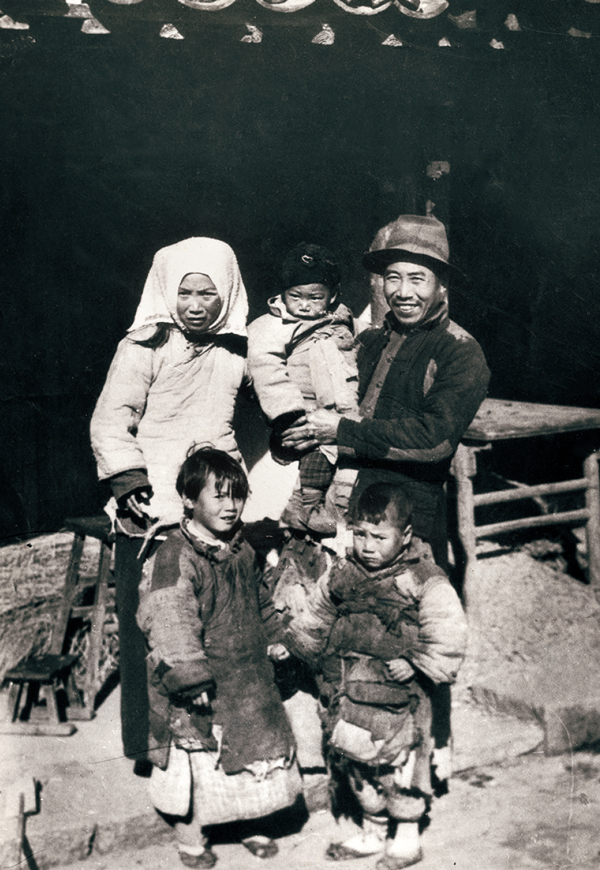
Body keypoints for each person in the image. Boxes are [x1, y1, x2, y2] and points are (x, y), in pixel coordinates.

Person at [90, 237, 248, 767]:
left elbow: (277, 383)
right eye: (185, 293)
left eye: (208, 293)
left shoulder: (235, 351)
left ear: (227, 293)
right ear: (166, 292)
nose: (196, 305)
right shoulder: (144, 347)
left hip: (214, 499)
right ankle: (151, 746)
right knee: (149, 625)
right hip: (151, 503)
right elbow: (111, 420)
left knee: (215, 622)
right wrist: (128, 480)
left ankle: (214, 744)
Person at [280, 215, 490, 569]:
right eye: (393, 277)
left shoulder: (459, 350)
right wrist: (292, 434)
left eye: (417, 279)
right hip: (335, 509)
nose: (403, 292)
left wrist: (342, 431)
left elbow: (434, 440)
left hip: (401, 523)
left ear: (442, 285)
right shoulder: (368, 340)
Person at [285, 482, 468, 869]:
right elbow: (318, 610)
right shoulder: (343, 573)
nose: (367, 546)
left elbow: (447, 629)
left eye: (379, 537)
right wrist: (299, 643)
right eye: (360, 534)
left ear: (405, 535)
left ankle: (406, 836)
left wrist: (416, 660)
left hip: (399, 698)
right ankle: (373, 829)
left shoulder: (422, 578)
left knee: (400, 766)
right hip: (349, 690)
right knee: (357, 762)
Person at [136, 447, 302, 869]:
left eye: (238, 496)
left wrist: (275, 637)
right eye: (219, 496)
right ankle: (191, 837)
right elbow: (170, 617)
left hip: (246, 674)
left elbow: (260, 600)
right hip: (202, 677)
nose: (231, 506)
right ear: (189, 499)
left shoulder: (242, 550)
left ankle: (250, 821)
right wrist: (190, 676)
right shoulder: (175, 556)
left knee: (252, 750)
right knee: (198, 760)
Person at [248, 243, 359, 536]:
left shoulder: (344, 319)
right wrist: (288, 412)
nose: (305, 305)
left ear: (332, 295)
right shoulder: (271, 326)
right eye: (295, 296)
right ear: (283, 293)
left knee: (349, 458)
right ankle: (306, 506)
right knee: (316, 455)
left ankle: (337, 508)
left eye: (315, 297)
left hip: (344, 406)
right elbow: (265, 367)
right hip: (304, 409)